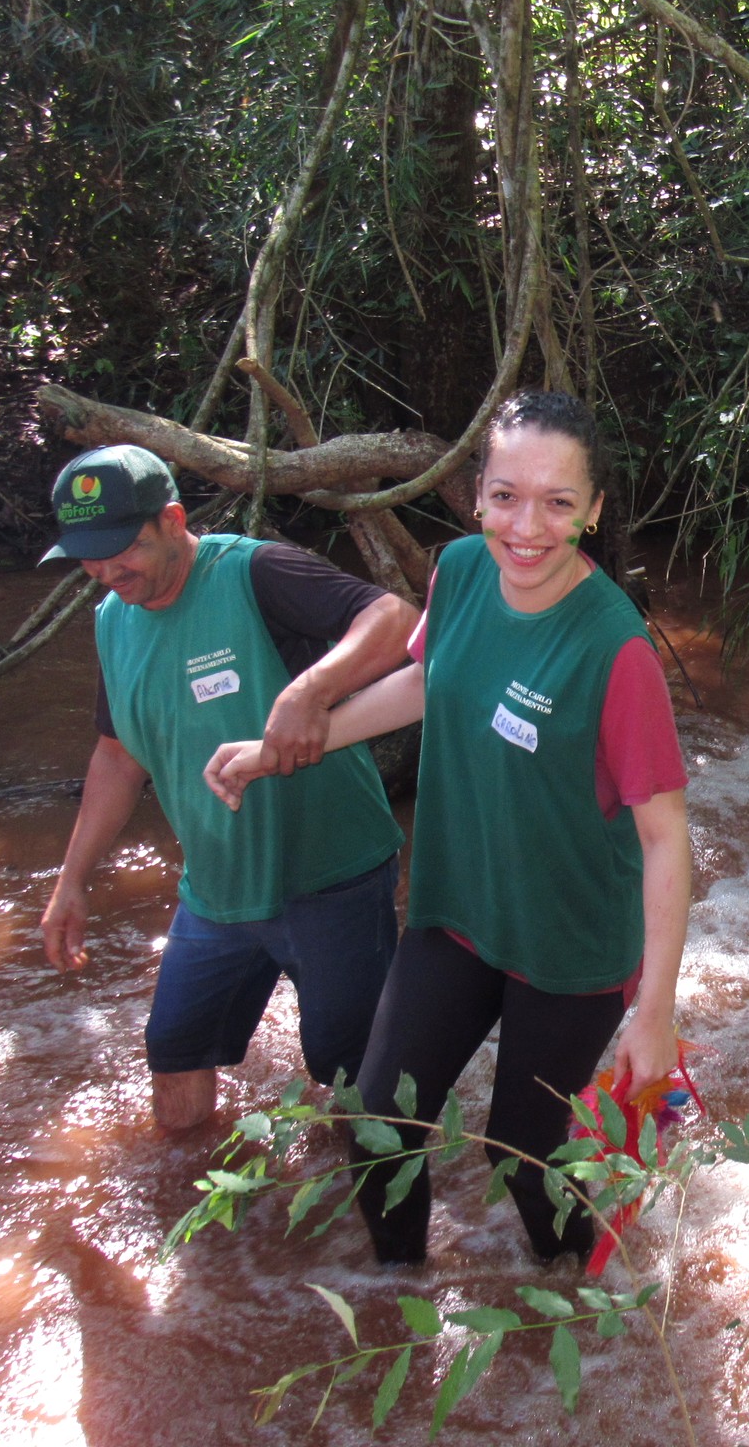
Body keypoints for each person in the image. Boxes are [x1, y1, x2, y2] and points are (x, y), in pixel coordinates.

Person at [207, 391, 691, 1267]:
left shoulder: (615, 650)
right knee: (376, 1125)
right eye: (506, 496)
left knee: (523, 1156)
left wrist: (653, 1013)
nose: (526, 528)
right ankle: (399, 1300)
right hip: (460, 906)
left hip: (570, 946)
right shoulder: (462, 570)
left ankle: (579, 1307)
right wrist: (284, 748)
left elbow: (665, 838)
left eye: (557, 502)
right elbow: (429, 680)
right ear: (477, 497)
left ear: (593, 511)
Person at [38, 444, 415, 1133]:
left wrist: (309, 691)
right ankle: (189, 1195)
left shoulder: (255, 571)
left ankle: (366, 1198)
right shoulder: (113, 621)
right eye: (88, 557)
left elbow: (394, 619)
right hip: (215, 890)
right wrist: (71, 881)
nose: (106, 571)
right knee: (175, 1050)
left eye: (123, 548)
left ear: (173, 520)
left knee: (351, 1075)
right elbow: (117, 757)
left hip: (330, 876)